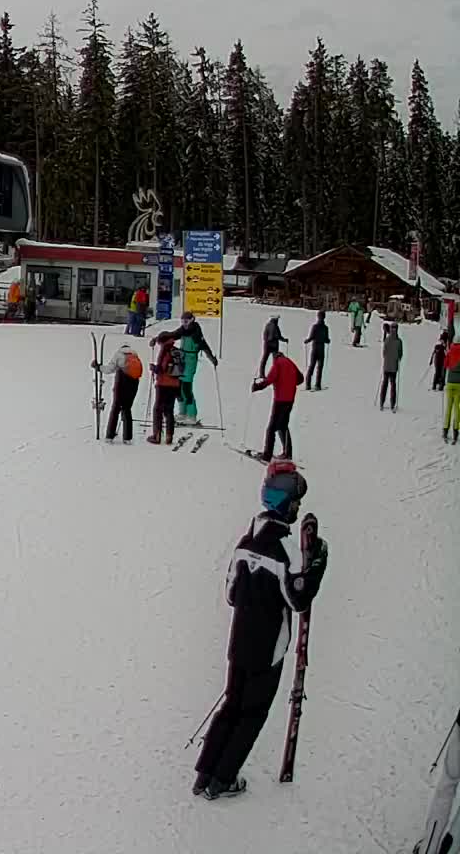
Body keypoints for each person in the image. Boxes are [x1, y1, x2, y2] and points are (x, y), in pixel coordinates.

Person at [192, 461, 328, 800]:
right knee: (252, 712)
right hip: (269, 648)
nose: (297, 509)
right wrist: (318, 565)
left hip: (239, 642)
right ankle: (222, 779)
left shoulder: (246, 541)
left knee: (232, 704)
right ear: (285, 503)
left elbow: (230, 593)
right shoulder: (286, 550)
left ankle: (205, 772)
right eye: (295, 502)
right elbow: (298, 598)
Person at [252, 345, 301, 461]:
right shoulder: (290, 362)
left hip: (280, 400)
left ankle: (267, 455)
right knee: (283, 426)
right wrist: (290, 382)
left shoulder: (278, 363)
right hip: (290, 399)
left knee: (271, 428)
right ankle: (288, 453)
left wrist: (257, 387)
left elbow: (269, 379)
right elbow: (301, 378)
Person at [171, 313, 220, 425]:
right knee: (179, 388)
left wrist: (212, 359)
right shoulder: (182, 330)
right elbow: (172, 335)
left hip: (191, 360)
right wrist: (159, 338)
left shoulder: (196, 332)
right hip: (182, 360)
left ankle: (192, 414)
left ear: (192, 320)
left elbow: (204, 346)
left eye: (186, 321)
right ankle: (182, 412)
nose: (184, 324)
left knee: (187, 388)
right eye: (182, 321)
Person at [94, 341, 144, 443]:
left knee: (116, 408)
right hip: (134, 384)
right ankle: (127, 437)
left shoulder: (119, 354)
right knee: (127, 408)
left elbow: (109, 369)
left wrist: (98, 367)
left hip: (122, 383)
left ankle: (110, 436)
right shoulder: (135, 356)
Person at [148, 331, 183, 444]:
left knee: (157, 409)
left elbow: (161, 369)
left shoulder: (165, 350)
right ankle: (169, 437)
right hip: (175, 385)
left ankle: (157, 435)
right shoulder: (176, 350)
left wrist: (153, 368)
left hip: (163, 384)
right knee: (169, 411)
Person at [380, 321, 403, 412]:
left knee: (385, 384)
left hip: (386, 366)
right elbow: (400, 354)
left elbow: (384, 352)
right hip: (393, 366)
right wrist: (397, 358)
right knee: (393, 385)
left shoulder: (387, 340)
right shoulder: (399, 341)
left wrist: (386, 358)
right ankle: (392, 404)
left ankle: (382, 402)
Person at [304, 310, 329, 390]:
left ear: (318, 317)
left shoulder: (315, 327)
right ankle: (317, 385)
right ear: (324, 317)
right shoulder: (325, 328)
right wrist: (328, 341)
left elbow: (311, 337)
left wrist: (307, 341)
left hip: (315, 349)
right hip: (321, 349)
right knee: (320, 368)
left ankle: (308, 385)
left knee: (311, 366)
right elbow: (326, 339)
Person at [445, 336, 460, 443]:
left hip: (450, 382)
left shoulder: (450, 352)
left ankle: (445, 430)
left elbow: (445, 364)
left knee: (448, 408)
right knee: (457, 409)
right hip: (459, 384)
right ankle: (455, 431)